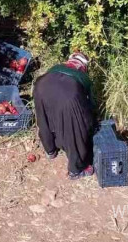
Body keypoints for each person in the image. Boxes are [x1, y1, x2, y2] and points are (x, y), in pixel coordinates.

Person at [33, 52, 97, 180]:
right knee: (75, 128)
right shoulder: (83, 76)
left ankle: (50, 150)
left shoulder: (56, 67)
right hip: (68, 94)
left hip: (40, 86)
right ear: (83, 66)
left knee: (44, 119)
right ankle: (76, 169)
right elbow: (90, 104)